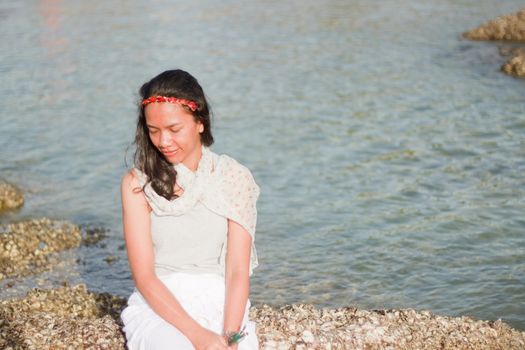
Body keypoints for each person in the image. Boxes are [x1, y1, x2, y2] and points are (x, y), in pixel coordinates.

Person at [120, 69, 260, 350]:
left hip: (221, 302)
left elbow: (236, 271)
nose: (163, 142)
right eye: (153, 131)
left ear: (200, 122)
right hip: (159, 306)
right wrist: (198, 336)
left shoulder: (233, 177)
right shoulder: (137, 184)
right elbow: (145, 276)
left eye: (174, 129)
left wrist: (231, 336)